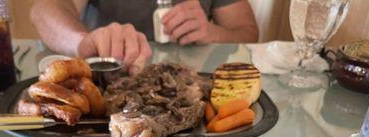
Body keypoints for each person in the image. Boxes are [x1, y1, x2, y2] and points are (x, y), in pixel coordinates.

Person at [31, 0, 258, 74]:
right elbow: (44, 10)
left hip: (196, 86)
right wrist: (82, 41)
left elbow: (247, 31)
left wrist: (212, 32)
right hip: (111, 79)